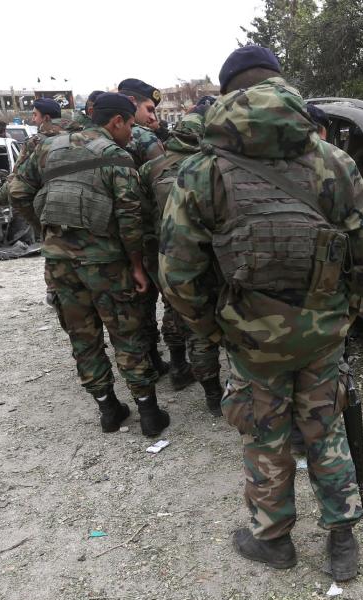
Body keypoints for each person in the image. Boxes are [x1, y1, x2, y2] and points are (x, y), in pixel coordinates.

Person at [159, 46, 363, 580]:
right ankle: (342, 544)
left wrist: (212, 329)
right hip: (323, 331)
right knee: (325, 429)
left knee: (265, 435)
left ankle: (275, 542)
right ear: (280, 84)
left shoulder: (203, 171)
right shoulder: (333, 161)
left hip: (249, 337)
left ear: (229, 91)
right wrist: (344, 314)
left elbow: (177, 272)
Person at [9, 93, 170, 437]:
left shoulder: (46, 148)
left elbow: (17, 192)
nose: (131, 131)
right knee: (127, 334)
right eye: (130, 124)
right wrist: (138, 266)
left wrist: (46, 231)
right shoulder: (116, 156)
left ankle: (108, 409)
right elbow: (130, 219)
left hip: (60, 265)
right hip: (108, 264)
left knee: (83, 338)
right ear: (116, 122)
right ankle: (150, 414)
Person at [139, 101, 222, 410]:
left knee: (176, 312)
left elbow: (141, 217)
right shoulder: (212, 166)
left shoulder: (152, 167)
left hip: (166, 256)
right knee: (206, 325)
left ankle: (177, 366)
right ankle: (214, 396)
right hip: (208, 255)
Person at [116, 78, 165, 167]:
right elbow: (165, 173)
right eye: (149, 110)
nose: (153, 118)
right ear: (132, 102)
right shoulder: (144, 136)